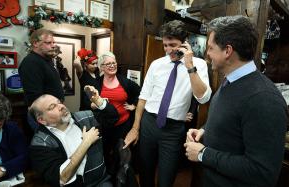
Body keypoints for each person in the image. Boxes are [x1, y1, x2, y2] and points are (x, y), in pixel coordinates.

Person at [184, 15, 288, 187]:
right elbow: (230, 125)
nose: (206, 54)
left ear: (227, 51)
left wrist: (204, 154)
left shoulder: (264, 99)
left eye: (210, 48)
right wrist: (204, 131)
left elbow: (262, 172)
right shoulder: (230, 81)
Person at [124, 20, 212, 187]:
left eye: (173, 45)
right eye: (165, 45)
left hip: (173, 130)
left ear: (185, 43)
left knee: (167, 178)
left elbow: (203, 98)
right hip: (149, 123)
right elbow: (143, 97)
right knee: (145, 173)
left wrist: (189, 66)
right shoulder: (156, 65)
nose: (168, 50)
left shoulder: (199, 65)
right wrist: (135, 128)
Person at [28, 94, 112, 187]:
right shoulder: (40, 143)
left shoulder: (83, 117)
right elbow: (62, 178)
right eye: (52, 107)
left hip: (101, 182)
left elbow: (112, 118)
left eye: (59, 102)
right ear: (42, 120)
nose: (61, 107)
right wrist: (86, 143)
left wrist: (100, 102)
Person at [93, 51, 140, 183]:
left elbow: (140, 93)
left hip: (123, 125)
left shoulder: (124, 81)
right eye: (108, 64)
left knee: (123, 156)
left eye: (114, 63)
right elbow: (89, 102)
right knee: (105, 154)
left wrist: (134, 106)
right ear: (101, 67)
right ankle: (108, 179)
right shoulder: (96, 83)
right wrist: (95, 104)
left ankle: (122, 180)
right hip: (105, 126)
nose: (112, 65)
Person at [19, 29, 64, 107]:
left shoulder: (46, 60)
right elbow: (34, 97)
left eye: (53, 42)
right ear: (35, 43)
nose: (53, 45)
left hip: (54, 109)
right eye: (48, 43)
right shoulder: (31, 62)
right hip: (43, 113)